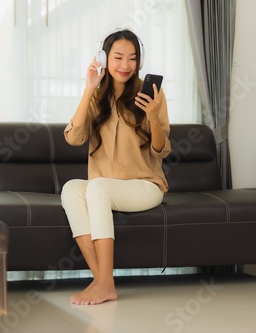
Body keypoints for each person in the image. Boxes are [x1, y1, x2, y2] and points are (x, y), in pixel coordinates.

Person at [61, 29, 171, 305]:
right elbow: (74, 137)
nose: (125, 65)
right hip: (106, 187)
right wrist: (88, 89)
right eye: (118, 57)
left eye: (132, 58)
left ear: (139, 62)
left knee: (96, 187)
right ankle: (102, 280)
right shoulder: (97, 96)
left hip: (145, 185)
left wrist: (154, 118)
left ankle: (104, 283)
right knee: (71, 189)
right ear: (104, 58)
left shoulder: (152, 93)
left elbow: (161, 149)